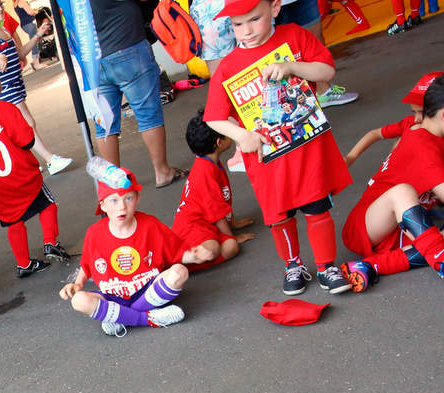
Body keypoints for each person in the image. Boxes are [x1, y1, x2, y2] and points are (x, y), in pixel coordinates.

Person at [203, 0, 353, 296]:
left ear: (274, 8)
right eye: (237, 24)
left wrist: (291, 66)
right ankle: (292, 265)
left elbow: (326, 72)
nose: (246, 31)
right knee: (278, 216)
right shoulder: (229, 65)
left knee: (317, 206)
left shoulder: (295, 35)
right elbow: (214, 117)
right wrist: (241, 135)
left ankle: (326, 266)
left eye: (254, 19)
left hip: (307, 147)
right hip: (266, 158)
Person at [59, 169, 204, 336]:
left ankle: (121, 318)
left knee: (180, 272)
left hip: (147, 290)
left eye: (128, 198)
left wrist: (194, 255)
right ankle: (148, 318)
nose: (122, 206)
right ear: (103, 205)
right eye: (114, 200)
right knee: (79, 301)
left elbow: (174, 250)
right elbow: (87, 264)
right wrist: (77, 284)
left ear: (137, 199)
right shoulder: (94, 233)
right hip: (113, 296)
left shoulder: (150, 224)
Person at [0, 57, 71, 278]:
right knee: (47, 204)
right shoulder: (7, 110)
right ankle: (50, 243)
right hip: (23, 179)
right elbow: (28, 141)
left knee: (14, 222)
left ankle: (24, 263)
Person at [342, 76, 444, 283]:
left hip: (405, 224)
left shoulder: (431, 132)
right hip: (368, 224)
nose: (415, 116)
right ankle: (440, 258)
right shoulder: (423, 144)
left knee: (434, 235)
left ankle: (371, 266)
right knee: (402, 191)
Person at [85, 0, 184, 187]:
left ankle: (114, 182)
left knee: (105, 125)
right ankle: (162, 171)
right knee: (148, 115)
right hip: (127, 44)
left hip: (94, 59)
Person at [0, 0, 73, 176]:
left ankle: (25, 164)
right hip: (6, 88)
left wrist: (38, 35)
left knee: (17, 129)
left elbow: (20, 53)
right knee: (28, 123)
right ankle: (50, 159)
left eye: (0, 4)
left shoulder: (4, 30)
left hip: (16, 83)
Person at [173, 110, 256, 268]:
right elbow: (216, 212)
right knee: (222, 248)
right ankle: (179, 265)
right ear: (219, 142)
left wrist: (233, 224)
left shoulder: (209, 162)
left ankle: (193, 258)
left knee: (228, 247)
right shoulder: (205, 172)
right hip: (193, 227)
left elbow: (219, 204)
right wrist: (230, 236)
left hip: (205, 224)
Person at [344, 71, 440, 167]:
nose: (416, 119)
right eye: (414, 112)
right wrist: (351, 157)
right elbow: (375, 133)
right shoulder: (411, 124)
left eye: (423, 112)